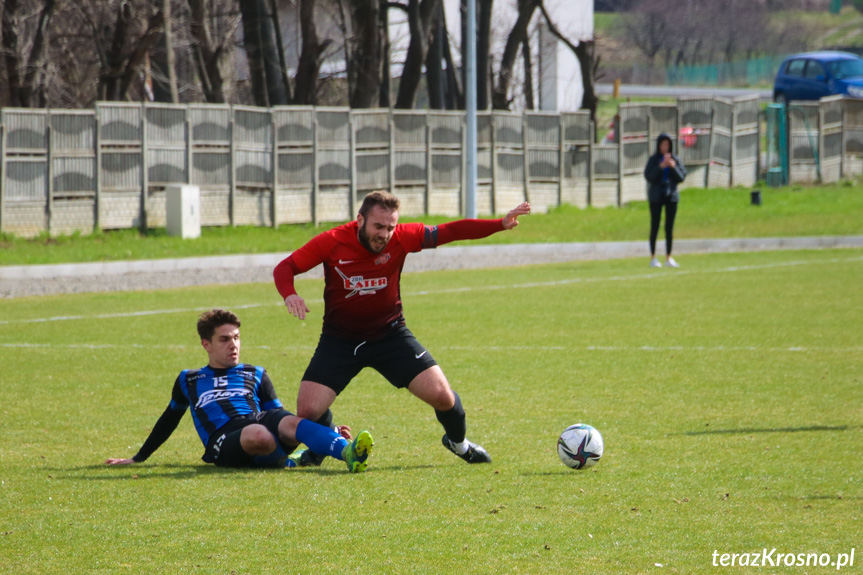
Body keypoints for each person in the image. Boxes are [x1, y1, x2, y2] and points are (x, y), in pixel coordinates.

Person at [274, 191, 531, 466]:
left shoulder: (402, 237)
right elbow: (285, 267)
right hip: (340, 341)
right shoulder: (332, 241)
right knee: (308, 411)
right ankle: (325, 444)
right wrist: (290, 294)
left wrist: (499, 224)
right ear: (359, 220)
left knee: (443, 397)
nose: (384, 234)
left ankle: (459, 443)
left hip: (390, 336)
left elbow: (451, 231)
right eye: (378, 226)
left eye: (390, 227)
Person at [105, 308, 374, 472]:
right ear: (206, 344)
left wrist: (326, 431)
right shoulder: (189, 379)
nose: (233, 345)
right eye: (224, 339)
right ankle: (293, 461)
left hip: (259, 420)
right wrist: (138, 457)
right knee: (260, 436)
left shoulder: (254, 373)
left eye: (236, 337)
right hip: (225, 437)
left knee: (295, 420)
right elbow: (169, 420)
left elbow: (279, 416)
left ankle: (347, 453)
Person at [644, 133, 687, 268]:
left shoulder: (675, 159)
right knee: (655, 226)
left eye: (667, 145)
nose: (665, 147)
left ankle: (668, 257)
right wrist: (661, 167)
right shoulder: (654, 159)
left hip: (671, 196)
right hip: (656, 197)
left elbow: (681, 177)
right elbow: (649, 176)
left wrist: (673, 167)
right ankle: (653, 257)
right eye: (663, 144)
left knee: (669, 228)